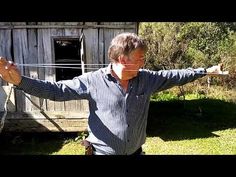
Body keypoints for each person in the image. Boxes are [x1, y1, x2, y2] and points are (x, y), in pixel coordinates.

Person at [0, 32, 223, 155]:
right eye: (140, 58)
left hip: (136, 154)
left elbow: (175, 75)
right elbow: (56, 91)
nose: (144, 62)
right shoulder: (93, 81)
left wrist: (204, 70)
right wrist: (19, 80)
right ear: (122, 59)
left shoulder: (147, 78)